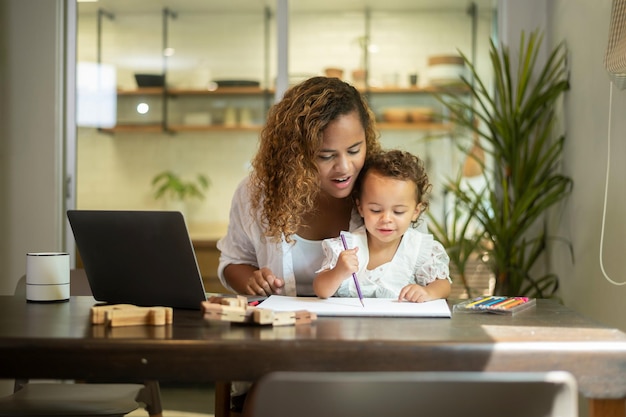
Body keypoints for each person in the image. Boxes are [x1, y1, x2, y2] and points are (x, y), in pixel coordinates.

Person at [217, 75, 381, 297]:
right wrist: (251, 280)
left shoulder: (384, 188)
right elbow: (233, 262)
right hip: (281, 328)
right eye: (326, 156)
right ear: (297, 155)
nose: (344, 167)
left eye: (354, 150)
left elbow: (421, 266)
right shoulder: (256, 193)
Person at [313, 149, 451, 302]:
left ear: (415, 212)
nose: (386, 219)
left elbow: (443, 285)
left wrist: (428, 292)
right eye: (376, 210)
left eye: (398, 212)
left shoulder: (420, 250)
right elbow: (321, 290)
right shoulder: (346, 247)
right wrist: (338, 272)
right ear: (361, 208)